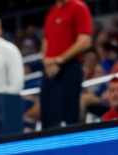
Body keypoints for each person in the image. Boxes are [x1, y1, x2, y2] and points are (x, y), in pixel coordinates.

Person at [40, 0, 94, 128]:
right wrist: (46, 61)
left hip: (69, 68)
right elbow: (46, 39)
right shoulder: (52, 10)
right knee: (47, 120)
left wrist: (59, 60)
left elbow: (85, 41)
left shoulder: (78, 7)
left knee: (67, 120)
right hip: (49, 71)